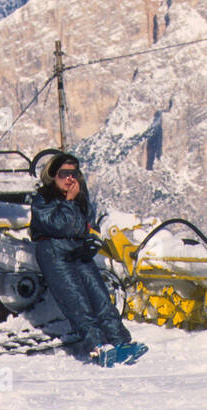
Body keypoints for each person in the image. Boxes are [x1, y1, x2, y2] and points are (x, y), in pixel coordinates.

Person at [30, 153, 147, 366]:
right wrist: (68, 201)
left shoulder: (80, 198)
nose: (70, 179)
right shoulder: (43, 199)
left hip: (77, 248)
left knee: (99, 295)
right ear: (53, 175)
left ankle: (121, 342)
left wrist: (92, 238)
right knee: (76, 299)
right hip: (53, 249)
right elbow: (58, 225)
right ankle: (97, 346)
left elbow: (88, 224)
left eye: (73, 174)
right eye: (64, 174)